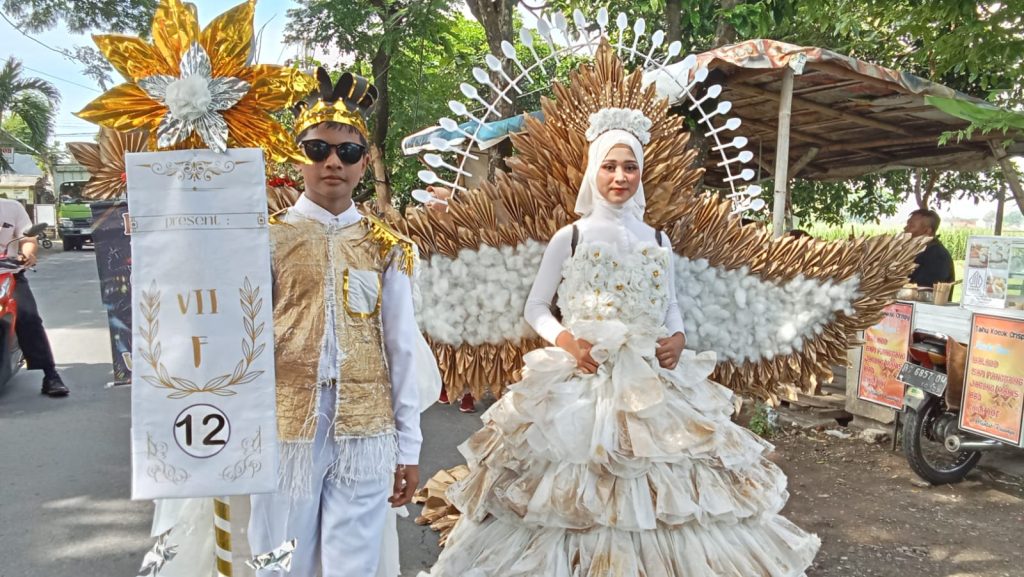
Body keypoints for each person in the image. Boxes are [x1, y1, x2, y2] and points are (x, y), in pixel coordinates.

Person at [418, 109, 819, 575]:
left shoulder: (659, 239)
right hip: (584, 380)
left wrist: (679, 337)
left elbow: (670, 304)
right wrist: (569, 343)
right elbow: (535, 308)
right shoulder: (570, 237)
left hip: (655, 383)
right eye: (609, 166)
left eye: (630, 167)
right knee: (575, 497)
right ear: (593, 170)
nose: (620, 176)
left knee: (670, 496)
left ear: (642, 173)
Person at [248, 69, 421, 577]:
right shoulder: (265, 238)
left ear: (364, 162)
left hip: (366, 433)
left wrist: (408, 446)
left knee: (355, 567)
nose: (331, 163)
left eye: (346, 153)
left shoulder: (386, 246)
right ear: (298, 156)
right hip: (285, 428)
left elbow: (402, 349)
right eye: (317, 149)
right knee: (279, 560)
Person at [0, 198, 67, 397]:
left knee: (28, 317)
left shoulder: (12, 207)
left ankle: (50, 375)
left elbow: (28, 239)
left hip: (9, 274)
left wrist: (27, 254)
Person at [904, 208, 955, 287]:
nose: (906, 228)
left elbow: (921, 289)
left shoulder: (938, 256)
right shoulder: (917, 251)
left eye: (912, 226)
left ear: (927, 231)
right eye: (907, 224)